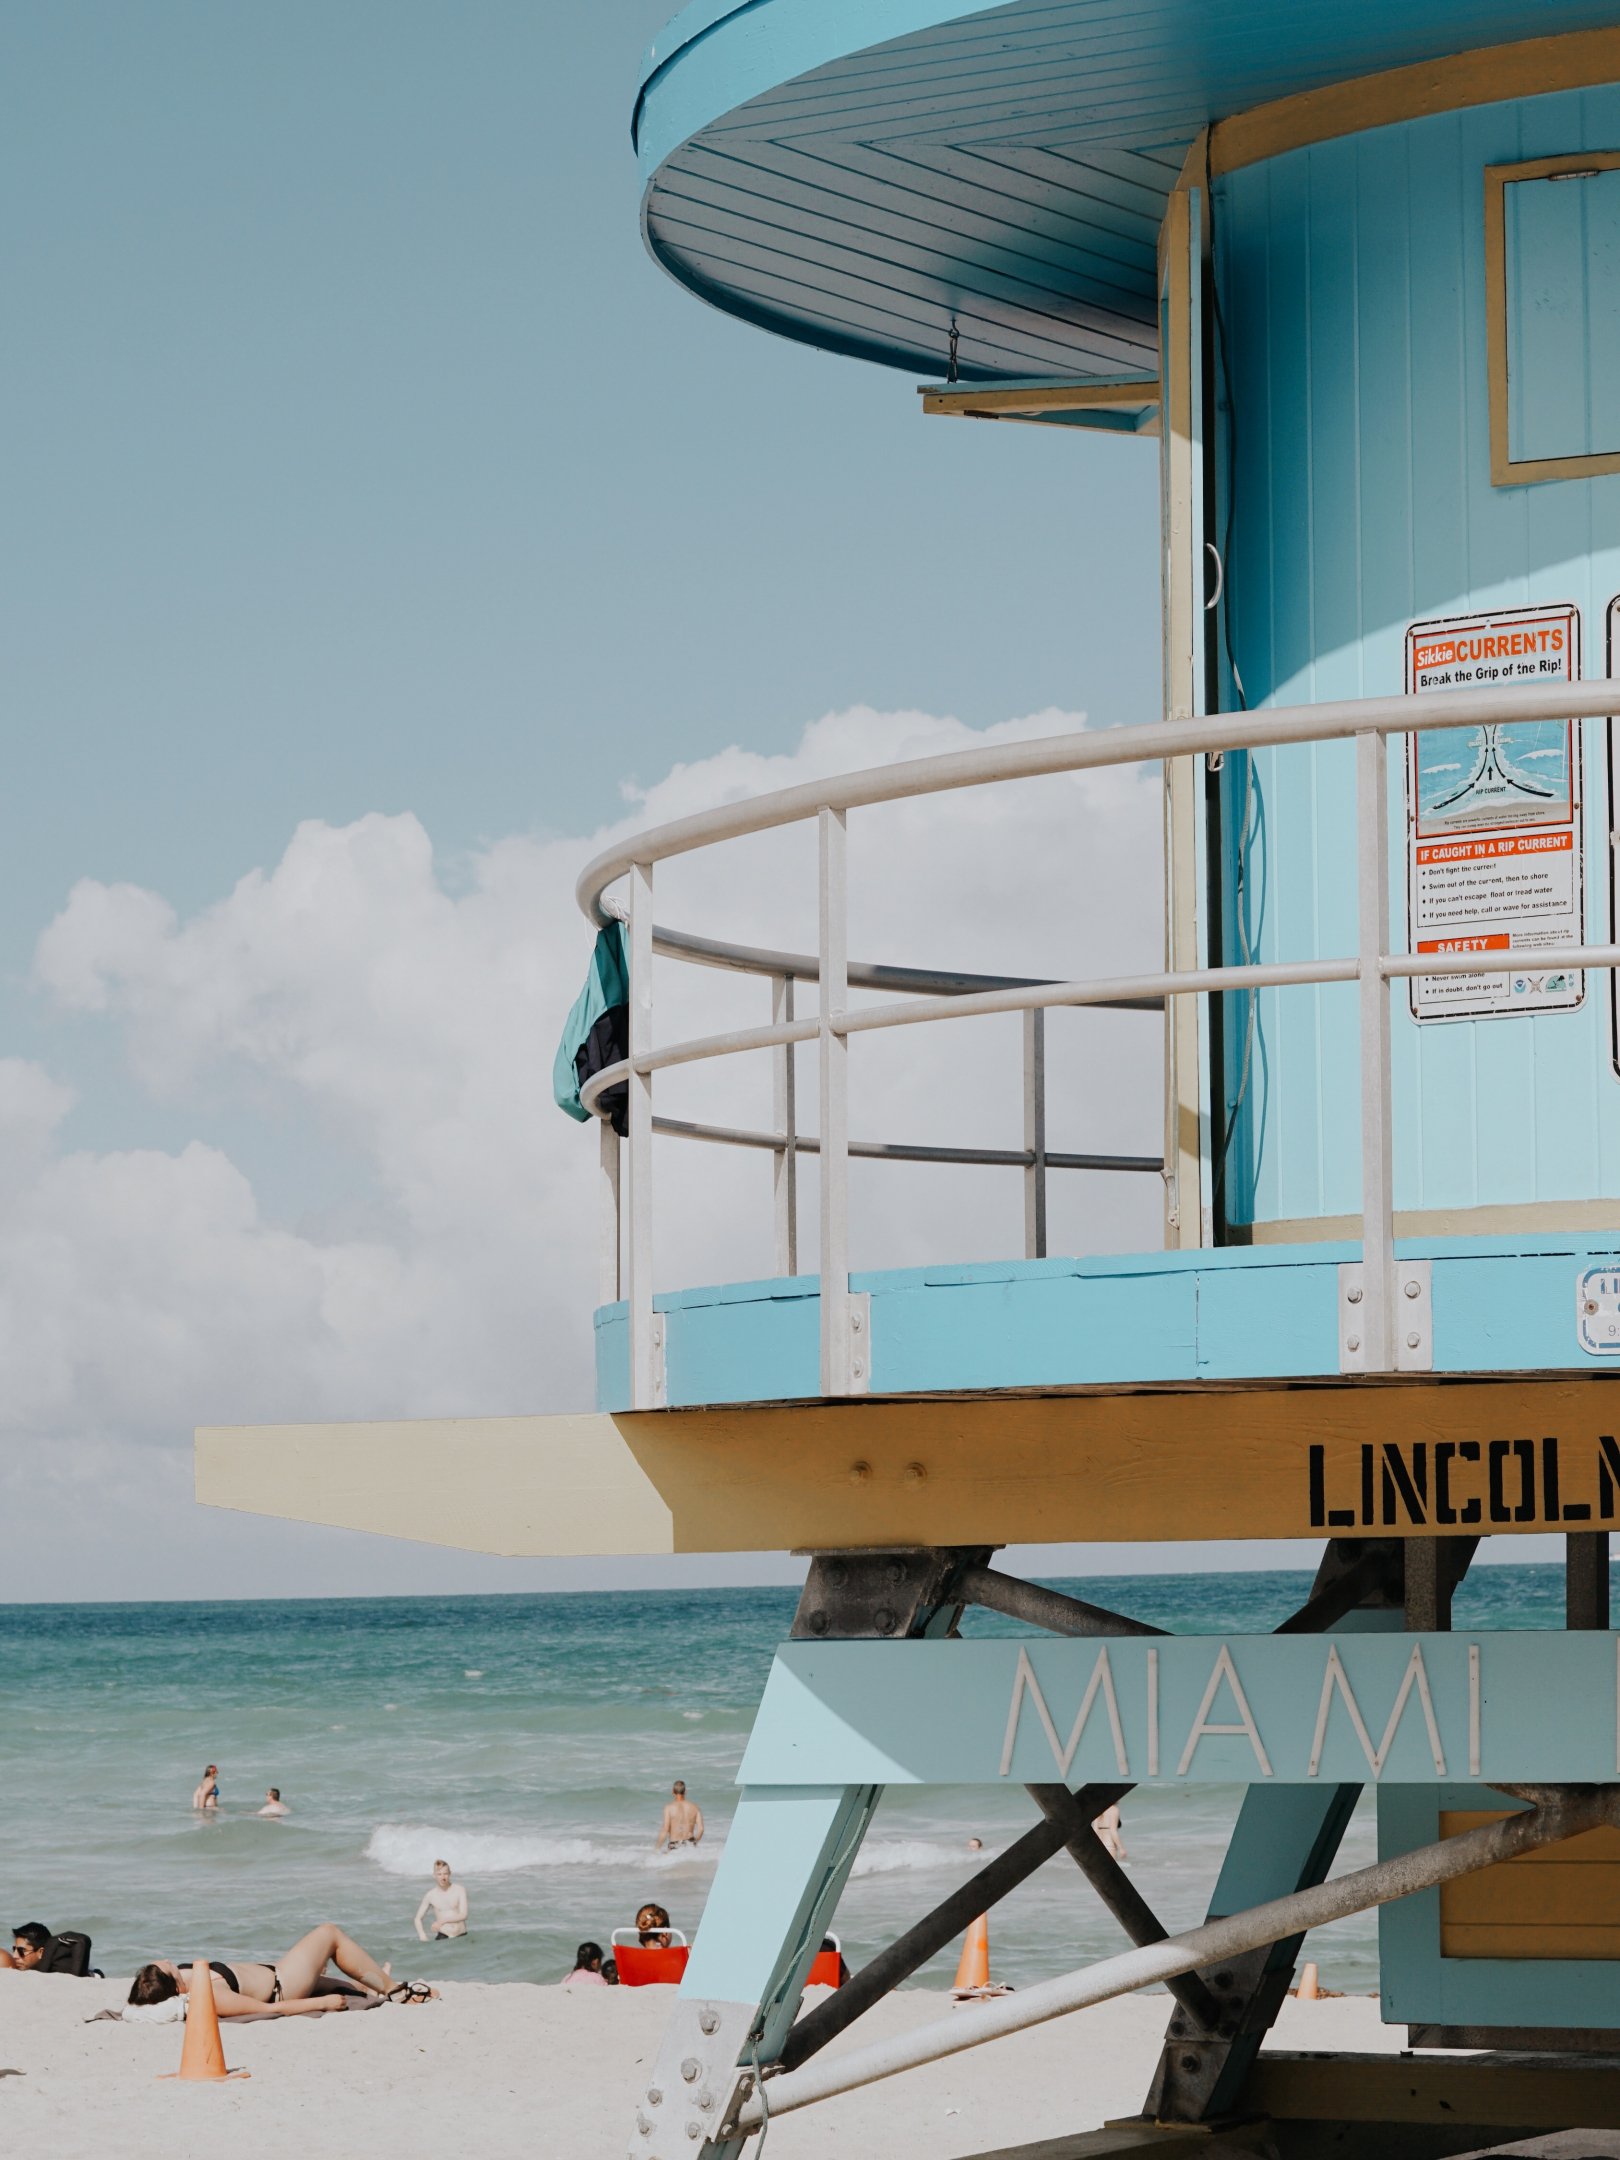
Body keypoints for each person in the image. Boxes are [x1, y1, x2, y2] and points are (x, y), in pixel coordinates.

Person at [126, 1925, 437, 2018]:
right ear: (176, 1986)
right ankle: (396, 1991)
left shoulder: (182, 1976)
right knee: (328, 1934)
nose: (165, 1959)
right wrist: (321, 2002)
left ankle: (382, 1985)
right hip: (284, 1986)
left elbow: (140, 1999)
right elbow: (266, 2009)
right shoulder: (210, 1996)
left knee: (360, 1988)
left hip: (277, 1970)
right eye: (166, 1966)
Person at [414, 1858, 469, 1942]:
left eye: (445, 1874)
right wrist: (422, 1935)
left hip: (461, 1936)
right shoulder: (430, 1895)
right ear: (434, 1875)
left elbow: (464, 1915)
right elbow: (417, 1918)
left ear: (450, 1873)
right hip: (443, 1937)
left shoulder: (460, 1890)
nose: (443, 1877)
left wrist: (442, 1921)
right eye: (439, 1874)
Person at [655, 1780, 704, 1851]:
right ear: (685, 1791)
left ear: (673, 1791)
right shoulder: (695, 1807)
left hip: (675, 1844)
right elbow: (701, 1829)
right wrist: (695, 1842)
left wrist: (657, 1849)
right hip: (690, 1843)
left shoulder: (668, 1808)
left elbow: (665, 1830)